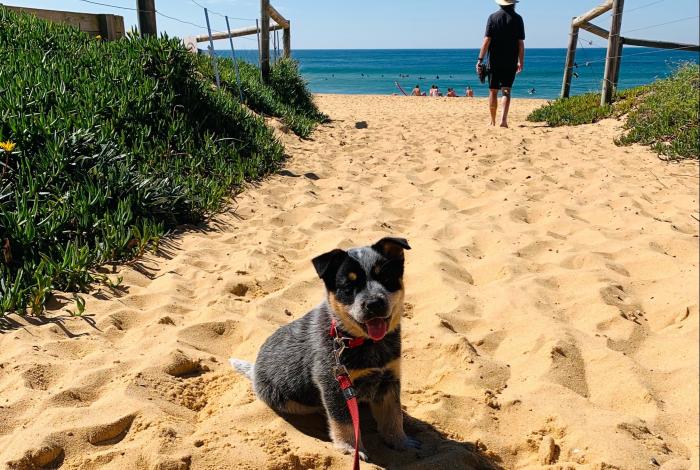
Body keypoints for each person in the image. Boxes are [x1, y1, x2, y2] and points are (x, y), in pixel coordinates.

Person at [476, 0, 525, 128]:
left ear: (500, 4)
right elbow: (520, 44)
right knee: (506, 90)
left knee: (493, 91)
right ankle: (503, 121)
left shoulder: (492, 17)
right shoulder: (518, 19)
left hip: (494, 61)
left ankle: (492, 121)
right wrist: (521, 61)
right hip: (510, 61)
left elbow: (487, 40)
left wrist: (480, 59)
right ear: (513, 4)